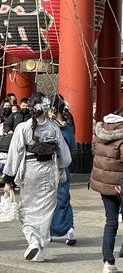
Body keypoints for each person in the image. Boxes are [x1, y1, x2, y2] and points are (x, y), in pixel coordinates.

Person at [3, 91, 71, 262]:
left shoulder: (23, 128)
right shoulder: (53, 127)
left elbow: (14, 154)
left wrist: (9, 179)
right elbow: (65, 156)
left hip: (30, 171)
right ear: (45, 108)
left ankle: (34, 242)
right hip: (49, 171)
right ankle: (40, 244)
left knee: (27, 209)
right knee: (46, 210)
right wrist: (61, 167)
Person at [90, 107, 123, 273]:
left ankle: (108, 261)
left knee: (111, 222)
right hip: (120, 184)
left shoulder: (99, 134)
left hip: (105, 185)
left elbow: (95, 156)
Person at [49, 94, 76, 246]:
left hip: (49, 167)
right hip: (65, 166)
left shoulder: (49, 127)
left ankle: (51, 229)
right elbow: (72, 148)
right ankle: (69, 228)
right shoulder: (68, 127)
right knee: (64, 198)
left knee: (50, 199)